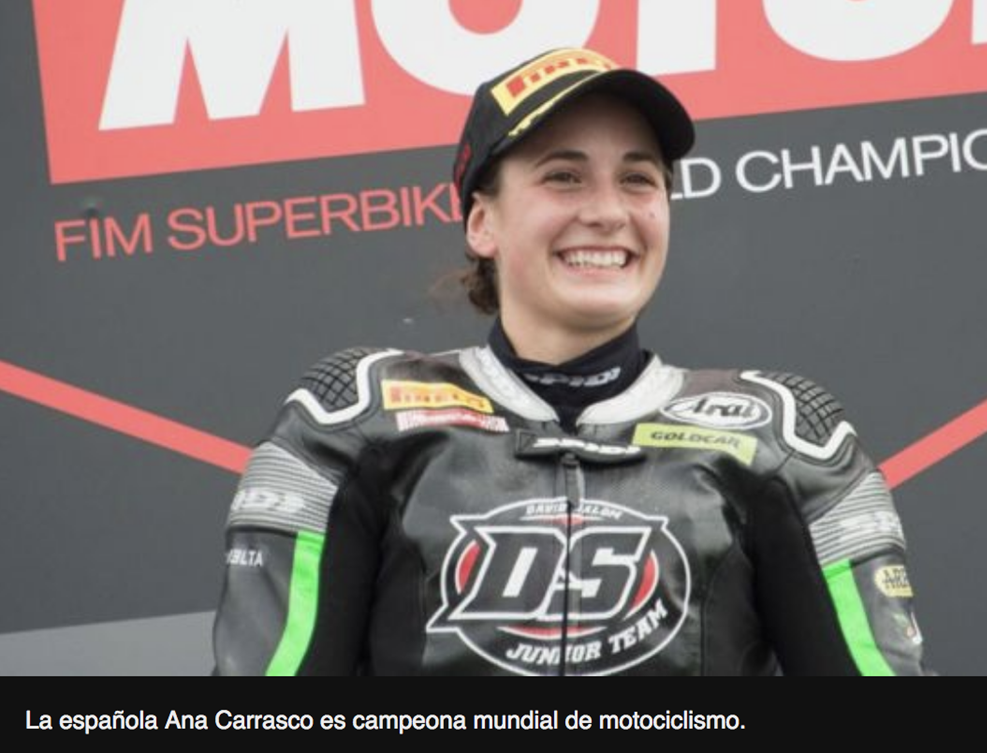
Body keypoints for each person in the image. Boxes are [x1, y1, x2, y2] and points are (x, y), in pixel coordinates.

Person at [212, 47, 926, 675]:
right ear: (482, 222)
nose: (609, 212)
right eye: (564, 177)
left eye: (638, 179)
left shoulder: (785, 440)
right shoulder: (352, 422)